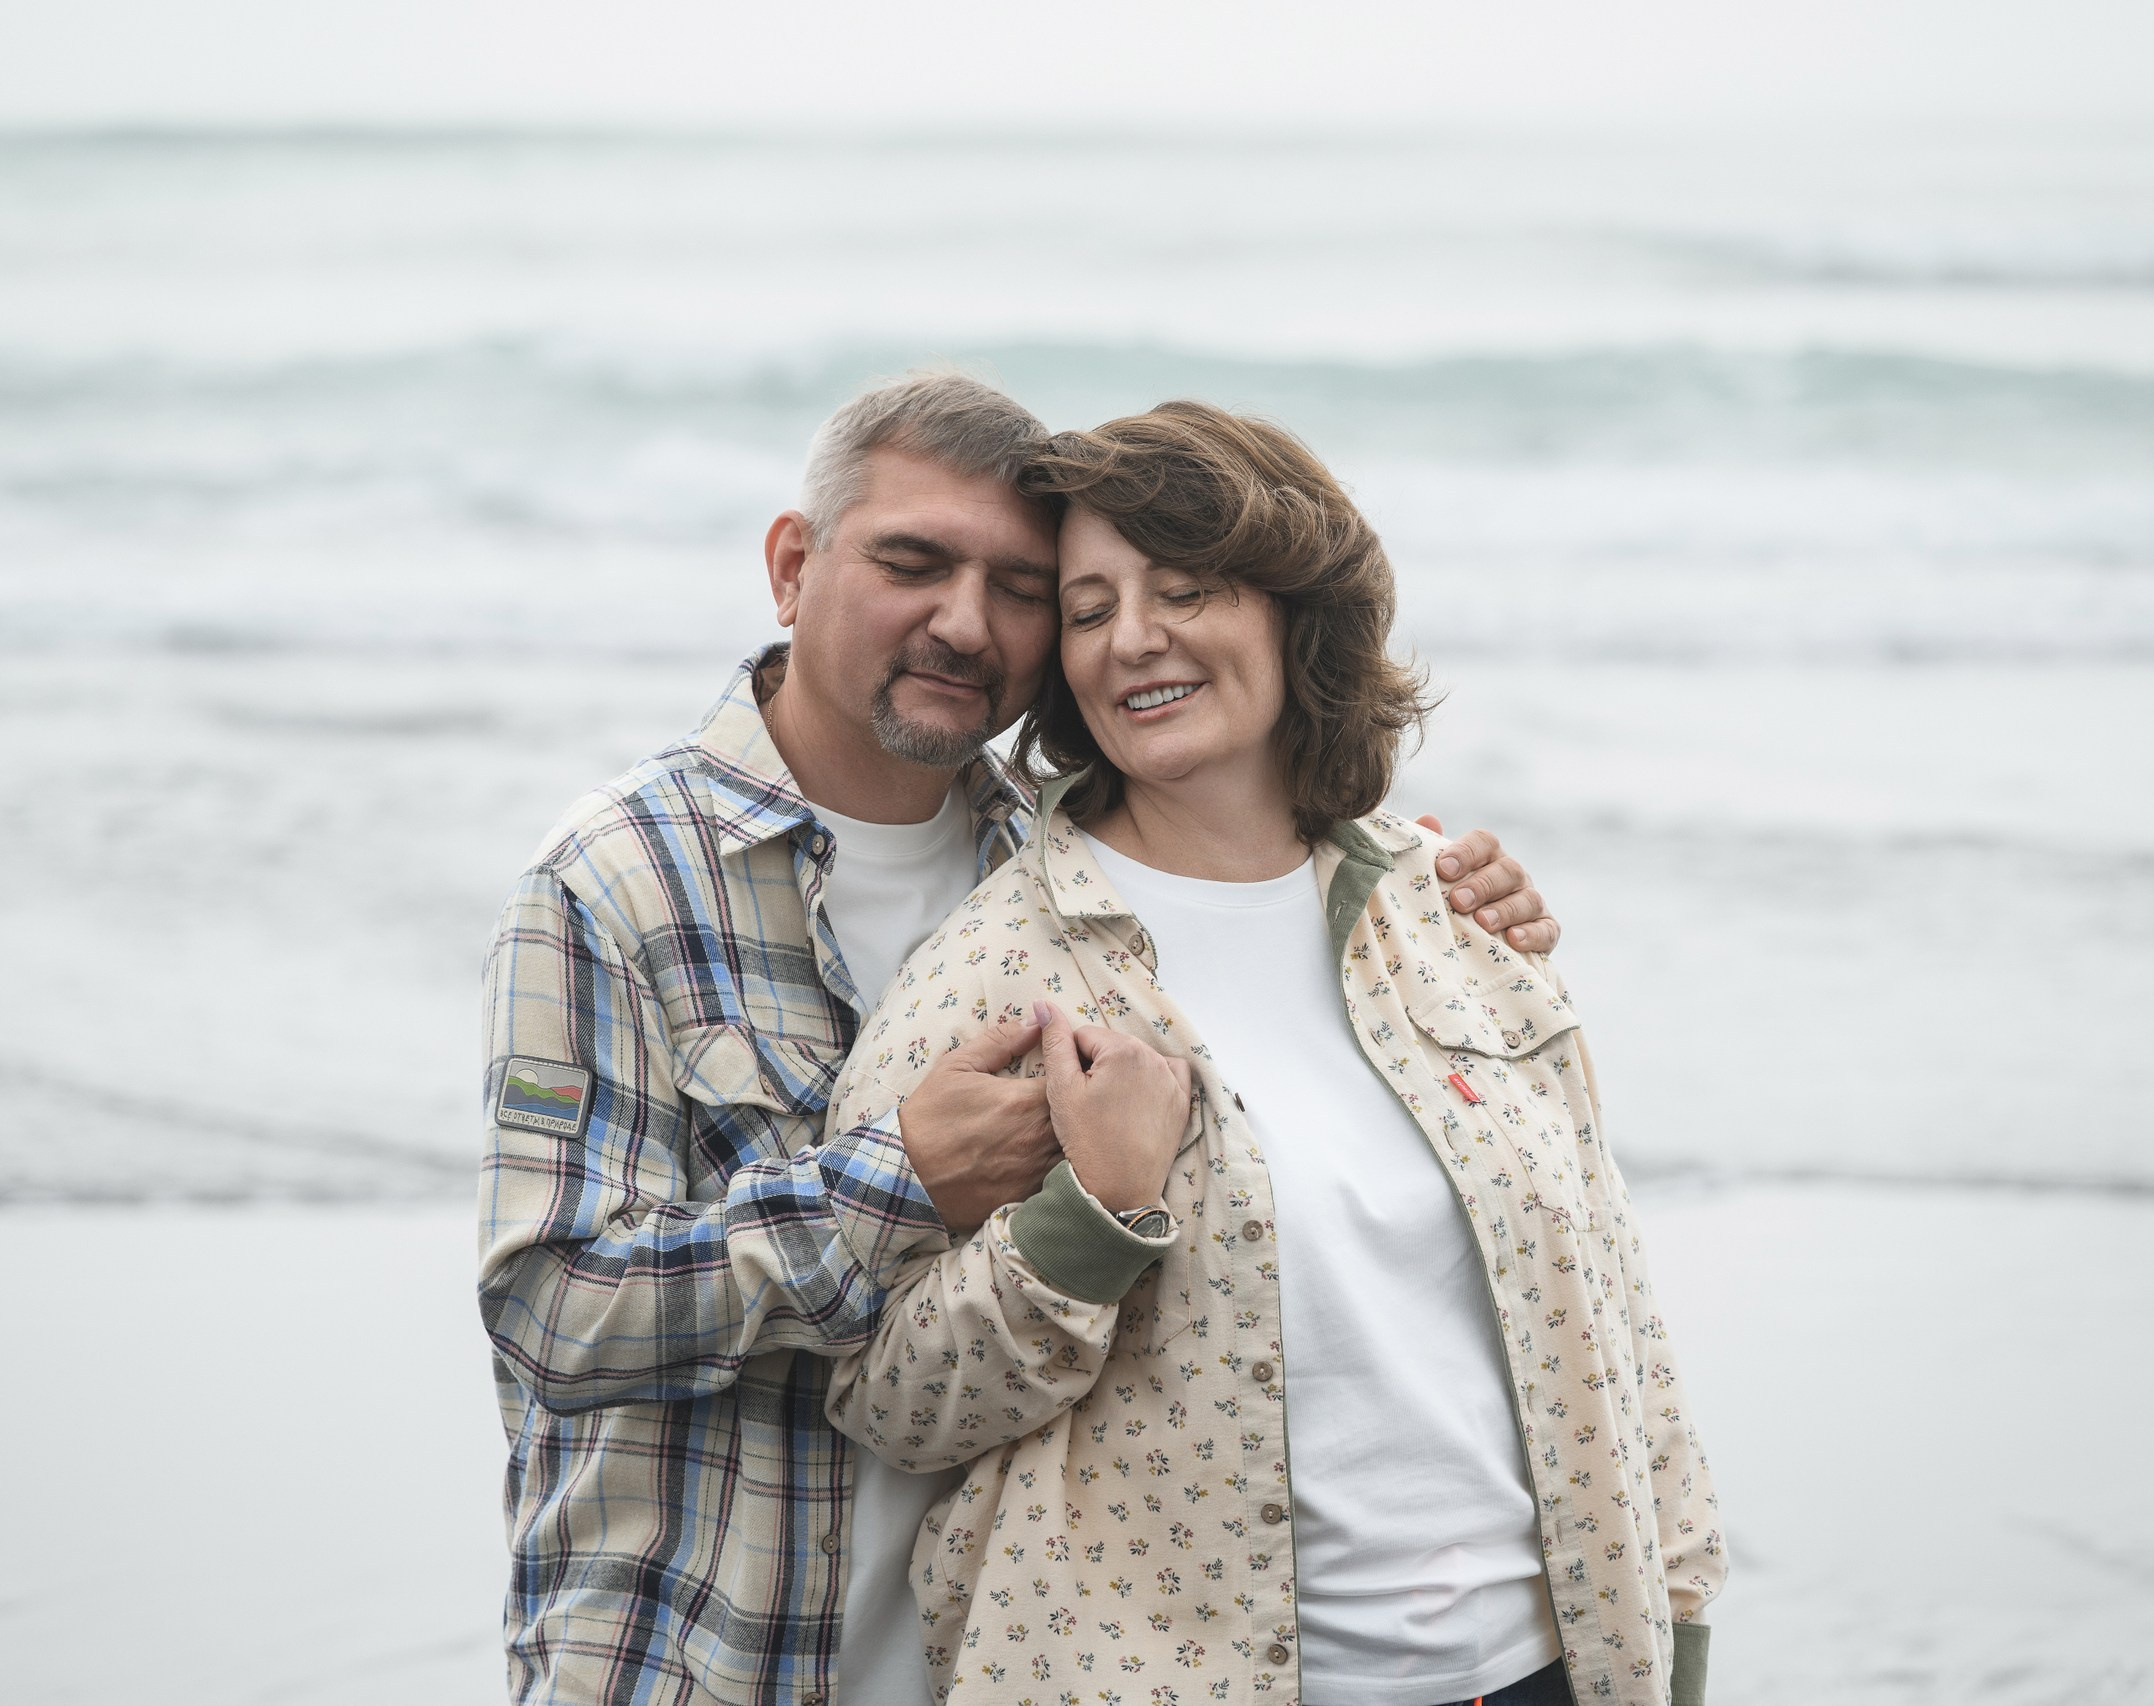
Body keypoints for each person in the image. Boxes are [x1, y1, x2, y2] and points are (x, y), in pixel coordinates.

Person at [477, 373, 1564, 1706]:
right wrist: (896, 1182)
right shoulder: (616, 879)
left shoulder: (1066, 863)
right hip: (714, 1659)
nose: (965, 621)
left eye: (1023, 587)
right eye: (913, 562)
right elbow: (552, 1312)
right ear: (792, 565)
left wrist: (1430, 887)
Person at [822, 402, 1726, 1706]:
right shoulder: (1004, 969)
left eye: (1185, 588)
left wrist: (1675, 1636)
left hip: (1553, 1674)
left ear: (1295, 610)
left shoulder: (1449, 912)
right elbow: (887, 1394)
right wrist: (1092, 1221)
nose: (1132, 639)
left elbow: (1617, 1322)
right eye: (1086, 608)